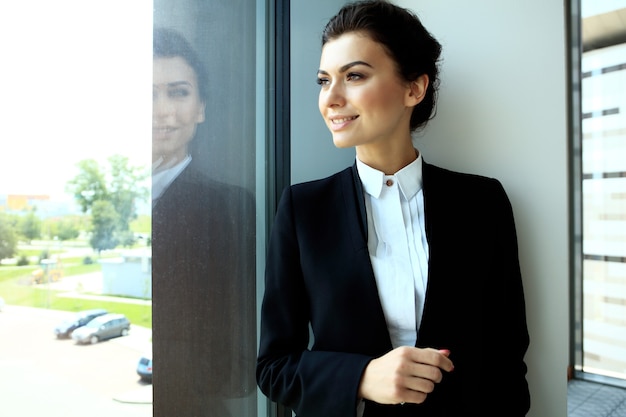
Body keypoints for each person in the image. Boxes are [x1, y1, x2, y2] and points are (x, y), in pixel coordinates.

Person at [256, 1, 531, 416]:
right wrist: (362, 378)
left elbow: (507, 359)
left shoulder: (483, 203)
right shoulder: (302, 209)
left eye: (354, 76)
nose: (330, 98)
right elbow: (274, 368)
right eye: (323, 80)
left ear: (414, 89)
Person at [151, 27, 256, 417]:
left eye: (178, 92)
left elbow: (232, 363)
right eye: (147, 94)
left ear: (201, 108)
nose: (162, 110)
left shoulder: (229, 207)